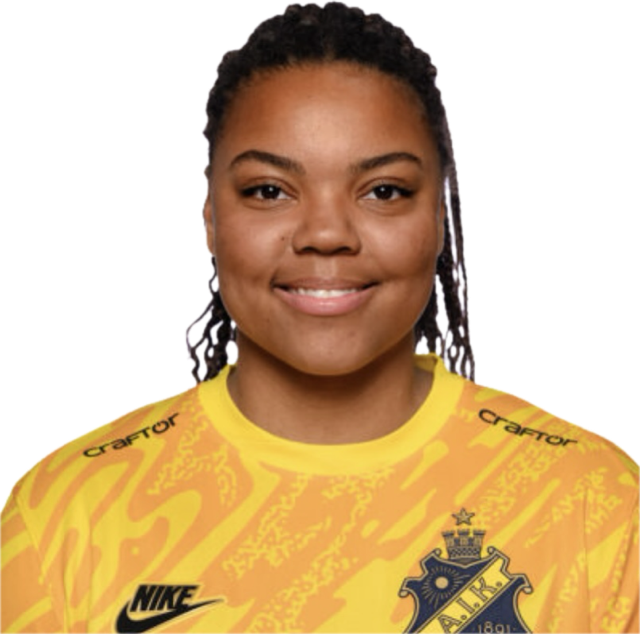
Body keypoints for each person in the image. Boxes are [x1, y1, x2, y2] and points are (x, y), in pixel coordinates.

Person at [1, 2, 637, 632]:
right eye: (268, 191)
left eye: (383, 191)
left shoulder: (597, 504)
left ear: (438, 218)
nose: (326, 234)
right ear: (210, 219)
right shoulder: (62, 516)